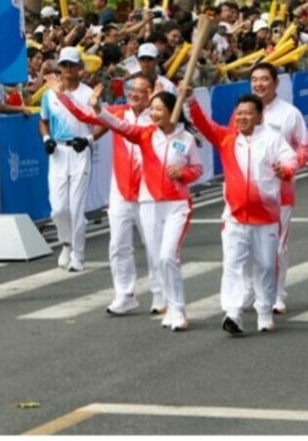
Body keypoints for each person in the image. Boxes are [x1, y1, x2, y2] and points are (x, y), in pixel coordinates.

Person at [56, 88, 203, 331]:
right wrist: (97, 108)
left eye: (159, 109)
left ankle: (176, 307)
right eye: (153, 110)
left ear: (171, 111)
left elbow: (197, 168)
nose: (154, 114)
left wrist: (183, 174)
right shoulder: (145, 134)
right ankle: (162, 303)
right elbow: (119, 126)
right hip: (149, 203)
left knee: (168, 256)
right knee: (157, 256)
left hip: (177, 204)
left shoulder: (186, 139)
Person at [186, 93, 298, 335]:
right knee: (233, 264)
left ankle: (264, 311)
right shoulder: (227, 138)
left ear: (259, 116)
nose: (242, 117)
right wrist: (191, 102)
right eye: (239, 113)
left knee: (265, 265)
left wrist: (285, 170)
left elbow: (291, 159)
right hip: (234, 218)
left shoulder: (272, 139)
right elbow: (204, 125)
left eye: (248, 113)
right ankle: (233, 313)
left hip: (266, 217)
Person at [246, 62, 308, 314]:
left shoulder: (289, 114)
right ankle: (253, 290)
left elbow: (304, 146)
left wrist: (288, 168)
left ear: (276, 83)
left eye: (264, 79)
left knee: (276, 246)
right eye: (255, 79)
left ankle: (276, 294)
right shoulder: (242, 112)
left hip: (280, 192)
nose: (259, 84)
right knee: (247, 245)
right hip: (247, 192)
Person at [99, 75, 156, 315]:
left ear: (150, 92)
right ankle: (124, 294)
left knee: (153, 244)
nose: (134, 94)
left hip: (148, 192)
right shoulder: (119, 113)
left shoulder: (158, 117)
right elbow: (88, 115)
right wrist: (63, 96)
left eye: (140, 90)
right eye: (131, 89)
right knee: (118, 244)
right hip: (120, 191)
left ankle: (160, 293)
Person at [40, 47, 97, 273]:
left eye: (72, 64)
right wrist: (46, 138)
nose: (68, 69)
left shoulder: (88, 94)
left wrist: (88, 139)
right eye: (64, 64)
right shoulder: (49, 94)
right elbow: (43, 120)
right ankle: (66, 243)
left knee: (76, 207)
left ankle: (78, 255)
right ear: (59, 67)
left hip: (80, 152)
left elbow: (102, 123)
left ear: (80, 67)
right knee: (58, 209)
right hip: (58, 154)